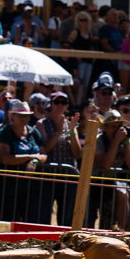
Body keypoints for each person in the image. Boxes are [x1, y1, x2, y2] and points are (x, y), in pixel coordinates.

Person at [0, 99, 47, 223]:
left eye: (26, 116)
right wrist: (31, 157)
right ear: (13, 116)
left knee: (31, 217)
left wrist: (35, 160)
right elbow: (5, 158)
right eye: (20, 116)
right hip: (11, 184)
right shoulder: (5, 132)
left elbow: (43, 154)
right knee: (10, 217)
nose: (24, 119)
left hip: (32, 184)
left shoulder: (33, 132)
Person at [36, 92, 81, 226]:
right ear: (51, 104)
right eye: (57, 102)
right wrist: (59, 132)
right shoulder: (41, 124)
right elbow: (45, 149)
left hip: (68, 176)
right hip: (48, 176)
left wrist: (72, 132)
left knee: (67, 217)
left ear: (67, 106)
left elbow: (77, 154)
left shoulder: (71, 125)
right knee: (44, 215)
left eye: (63, 102)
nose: (60, 105)